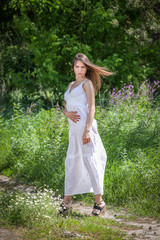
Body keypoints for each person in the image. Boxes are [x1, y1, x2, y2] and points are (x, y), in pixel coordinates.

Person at [60, 53, 113, 216]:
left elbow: (92, 108)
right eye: (77, 67)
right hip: (73, 131)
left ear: (86, 68)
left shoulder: (87, 83)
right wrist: (66, 114)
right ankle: (66, 203)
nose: (80, 70)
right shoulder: (71, 85)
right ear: (73, 68)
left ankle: (99, 203)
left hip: (85, 129)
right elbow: (66, 107)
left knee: (90, 162)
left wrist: (88, 129)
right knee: (71, 163)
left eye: (83, 67)